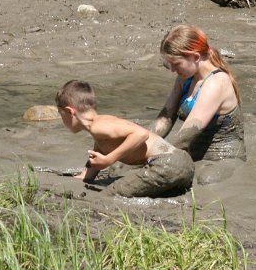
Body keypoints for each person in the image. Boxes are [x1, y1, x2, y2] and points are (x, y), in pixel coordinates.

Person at [55, 79, 194, 197]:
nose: (62, 119)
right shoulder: (99, 130)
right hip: (181, 163)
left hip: (168, 163)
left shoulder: (99, 126)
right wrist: (83, 177)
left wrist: (109, 160)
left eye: (61, 115)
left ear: (69, 111)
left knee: (111, 193)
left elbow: (141, 134)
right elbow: (94, 163)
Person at [152, 25, 246, 183]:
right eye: (169, 65)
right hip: (194, 153)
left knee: (204, 180)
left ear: (195, 57)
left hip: (223, 157)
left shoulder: (216, 83)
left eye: (176, 64)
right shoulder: (186, 76)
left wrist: (151, 154)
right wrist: (138, 143)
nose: (172, 70)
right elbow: (165, 117)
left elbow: (185, 136)